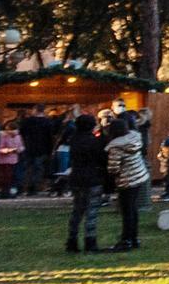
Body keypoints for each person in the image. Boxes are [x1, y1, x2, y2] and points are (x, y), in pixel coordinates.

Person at [104, 116, 150, 250]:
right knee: (133, 210)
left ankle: (126, 240)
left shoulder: (116, 146)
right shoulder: (134, 139)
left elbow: (113, 168)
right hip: (139, 177)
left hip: (126, 180)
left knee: (126, 211)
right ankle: (134, 238)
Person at [64, 114, 106, 253]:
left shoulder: (74, 140)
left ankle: (72, 241)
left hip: (76, 177)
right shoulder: (94, 141)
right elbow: (101, 158)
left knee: (77, 210)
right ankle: (90, 242)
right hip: (93, 178)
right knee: (91, 212)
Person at [17, 107, 54, 195]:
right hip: (42, 148)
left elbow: (21, 133)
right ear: (43, 111)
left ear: (35, 110)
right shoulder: (48, 122)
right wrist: (50, 150)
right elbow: (50, 137)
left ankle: (21, 187)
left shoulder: (27, 121)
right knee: (38, 169)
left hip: (28, 147)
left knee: (26, 168)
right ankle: (33, 188)